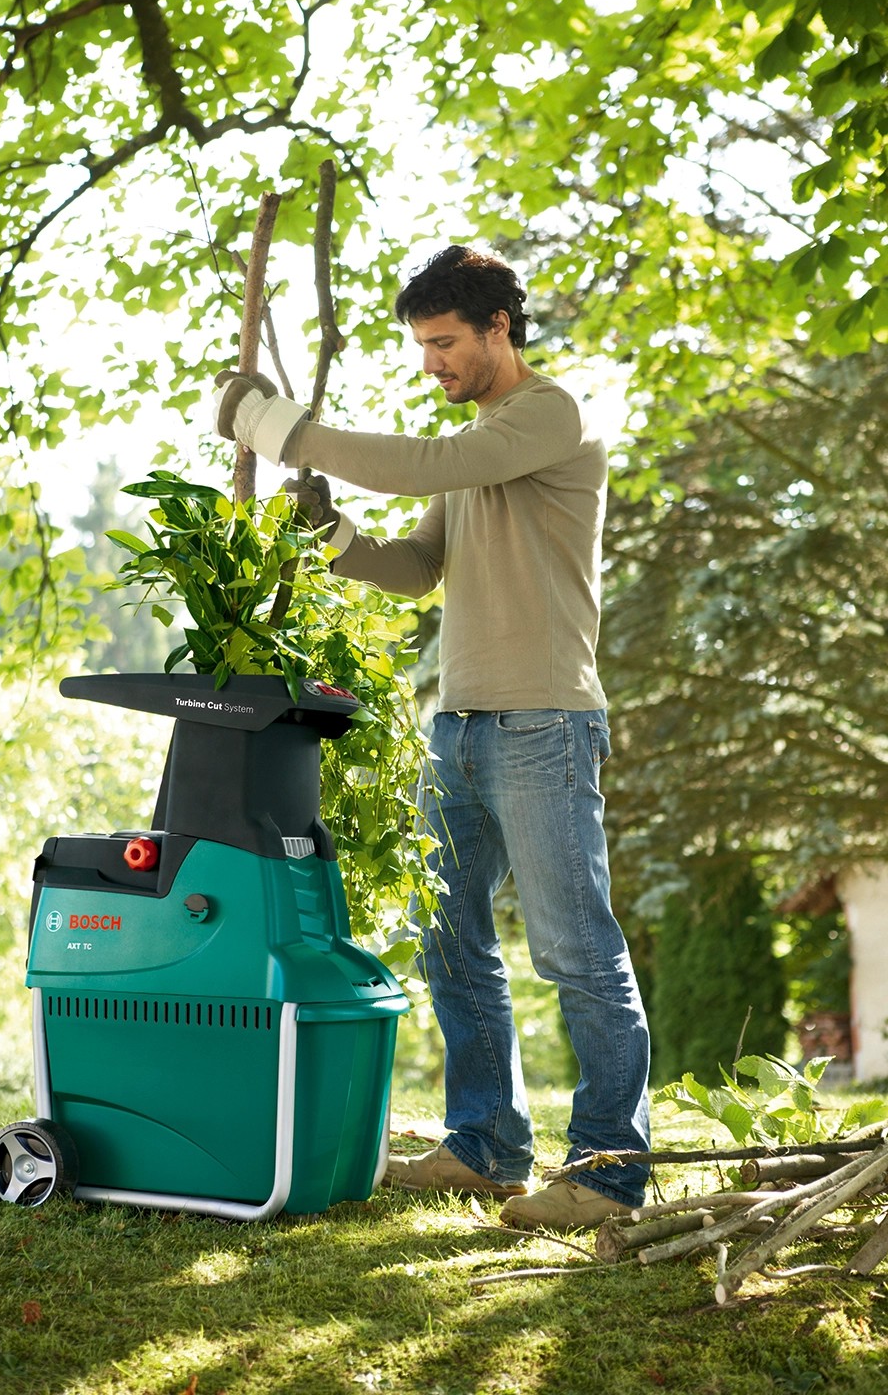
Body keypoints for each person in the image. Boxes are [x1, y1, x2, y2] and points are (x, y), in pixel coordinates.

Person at [212, 244, 650, 1229]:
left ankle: (608, 1173)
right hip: (457, 725)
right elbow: (418, 568)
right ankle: (485, 1146)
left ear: (500, 327)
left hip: (543, 722)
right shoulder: (477, 441)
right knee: (451, 941)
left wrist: (273, 425)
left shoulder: (551, 416)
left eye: (444, 342)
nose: (431, 363)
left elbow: (424, 467)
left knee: (577, 951)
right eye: (420, 345)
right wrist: (331, 539)